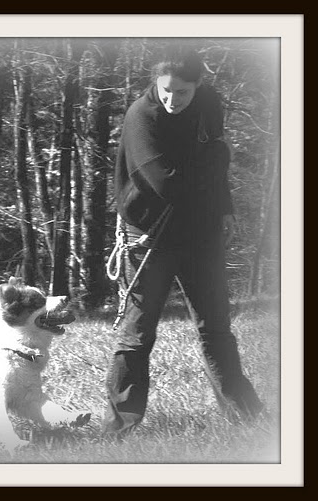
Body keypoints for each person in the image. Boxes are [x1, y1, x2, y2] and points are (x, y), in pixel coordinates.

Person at [103, 44, 264, 435]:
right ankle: (121, 426)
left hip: (201, 231)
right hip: (149, 233)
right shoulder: (141, 116)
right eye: (166, 90)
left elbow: (215, 165)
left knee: (216, 328)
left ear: (198, 85)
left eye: (183, 92)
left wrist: (223, 208)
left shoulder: (209, 104)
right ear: (155, 84)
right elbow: (165, 183)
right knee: (137, 334)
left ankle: (247, 419)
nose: (173, 100)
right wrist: (215, 161)